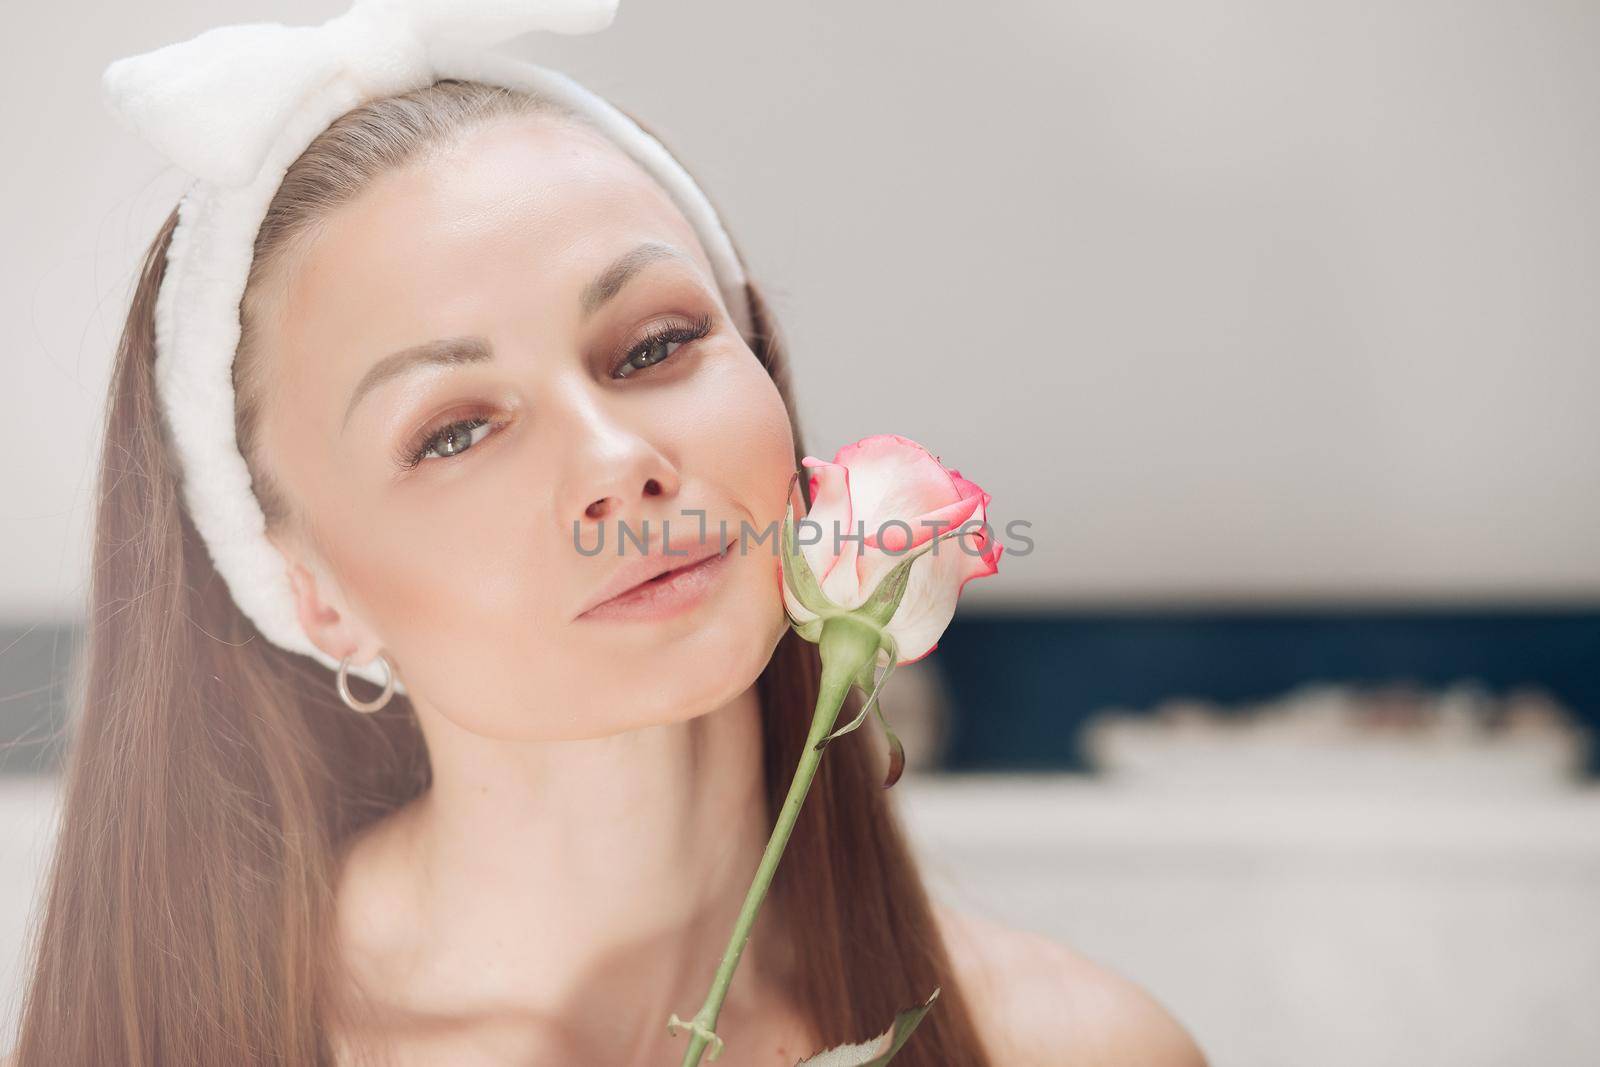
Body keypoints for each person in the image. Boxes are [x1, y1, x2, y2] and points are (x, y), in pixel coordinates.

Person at [8, 14, 1208, 1067]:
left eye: (653, 346)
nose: (613, 459)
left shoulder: (1071, 1045)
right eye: (454, 431)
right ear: (309, 591)